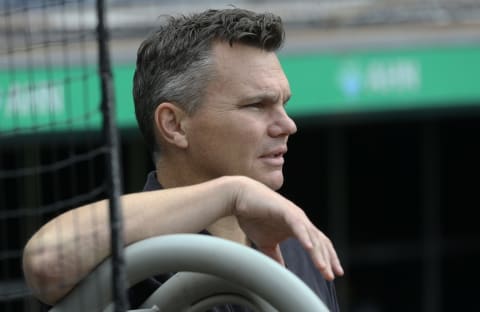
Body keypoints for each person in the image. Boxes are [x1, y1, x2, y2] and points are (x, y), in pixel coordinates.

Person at [22, 8, 344, 311]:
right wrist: (232, 195)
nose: (288, 125)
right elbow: (45, 262)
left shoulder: (301, 246)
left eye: (283, 104)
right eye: (257, 105)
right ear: (174, 125)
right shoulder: (119, 253)